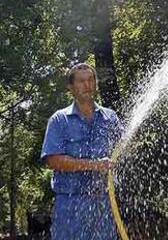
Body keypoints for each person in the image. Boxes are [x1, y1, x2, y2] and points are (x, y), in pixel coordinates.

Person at [41, 63, 123, 240]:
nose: (87, 85)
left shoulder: (110, 118)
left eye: (91, 80)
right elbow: (53, 161)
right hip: (70, 204)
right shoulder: (59, 120)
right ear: (70, 87)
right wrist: (94, 165)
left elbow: (122, 152)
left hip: (103, 203)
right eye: (81, 81)